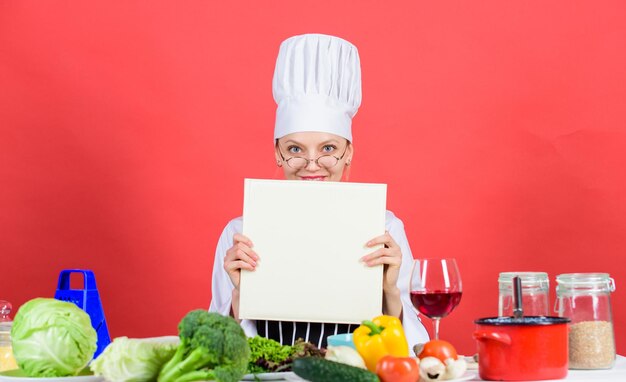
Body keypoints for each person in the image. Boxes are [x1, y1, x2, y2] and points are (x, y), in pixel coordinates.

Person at [209, 33, 429, 352]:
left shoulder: (385, 229)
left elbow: (410, 351)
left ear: (348, 152)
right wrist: (239, 296)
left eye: (328, 148)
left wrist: (389, 291)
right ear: (278, 153)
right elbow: (216, 350)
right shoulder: (240, 233)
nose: (312, 165)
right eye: (295, 149)